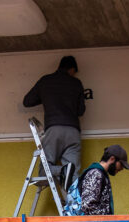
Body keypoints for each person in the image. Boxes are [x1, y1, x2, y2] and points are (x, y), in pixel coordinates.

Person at [23, 55, 86, 190]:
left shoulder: (45, 81)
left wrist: (46, 98)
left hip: (54, 129)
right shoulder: (76, 83)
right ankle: (72, 201)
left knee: (44, 170)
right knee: (73, 174)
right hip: (73, 131)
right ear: (72, 69)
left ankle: (62, 170)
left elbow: (27, 101)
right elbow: (81, 111)